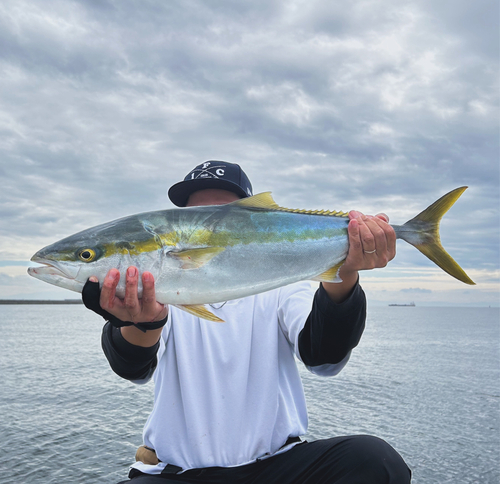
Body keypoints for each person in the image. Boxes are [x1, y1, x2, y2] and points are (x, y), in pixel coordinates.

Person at [83, 160, 411, 483]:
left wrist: (345, 271)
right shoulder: (161, 288)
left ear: (254, 219)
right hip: (179, 474)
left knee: (375, 461)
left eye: (221, 215)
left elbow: (323, 357)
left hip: (279, 469)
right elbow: (134, 367)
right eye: (194, 215)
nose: (205, 228)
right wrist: (143, 323)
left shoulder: (283, 282)